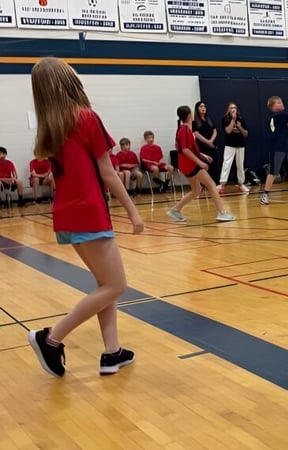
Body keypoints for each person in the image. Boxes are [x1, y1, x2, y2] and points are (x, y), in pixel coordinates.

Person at [27, 57, 143, 377]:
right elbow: (108, 171)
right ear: (67, 79)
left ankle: (112, 352)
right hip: (90, 212)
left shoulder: (49, 127)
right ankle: (51, 337)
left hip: (66, 213)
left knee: (105, 284)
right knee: (116, 285)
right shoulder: (85, 117)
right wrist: (133, 212)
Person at [167, 106, 235, 223]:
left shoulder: (182, 129)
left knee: (196, 191)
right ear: (189, 115)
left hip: (185, 164)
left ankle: (175, 210)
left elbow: (187, 148)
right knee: (212, 185)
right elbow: (185, 150)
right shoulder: (185, 130)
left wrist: (202, 155)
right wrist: (200, 162)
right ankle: (222, 213)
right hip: (191, 165)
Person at [218, 102, 249, 194]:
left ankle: (241, 183)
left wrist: (239, 126)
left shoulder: (241, 119)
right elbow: (227, 131)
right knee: (226, 164)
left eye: (234, 108)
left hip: (240, 145)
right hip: (229, 144)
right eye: (231, 108)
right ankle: (222, 184)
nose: (233, 109)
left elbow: (246, 134)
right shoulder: (225, 119)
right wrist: (233, 120)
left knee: (240, 164)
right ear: (228, 109)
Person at [192, 101, 220, 183]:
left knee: (214, 165)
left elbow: (214, 130)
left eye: (204, 106)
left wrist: (211, 141)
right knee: (205, 165)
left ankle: (216, 183)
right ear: (197, 109)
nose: (203, 108)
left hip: (211, 146)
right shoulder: (195, 122)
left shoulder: (209, 119)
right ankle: (206, 183)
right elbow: (196, 134)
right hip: (202, 147)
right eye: (201, 106)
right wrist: (207, 142)